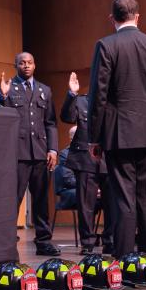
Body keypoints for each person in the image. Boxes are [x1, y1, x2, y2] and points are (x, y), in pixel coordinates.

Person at [87, 0, 146, 257]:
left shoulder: (105, 45)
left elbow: (98, 95)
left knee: (124, 198)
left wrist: (94, 138)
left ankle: (125, 259)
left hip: (119, 134)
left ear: (112, 18)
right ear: (137, 17)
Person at [0, 51, 61, 256]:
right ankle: (6, 241)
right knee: (12, 199)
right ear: (16, 65)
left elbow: (50, 122)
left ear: (35, 65)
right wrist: (3, 96)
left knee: (42, 200)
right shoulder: (8, 88)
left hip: (40, 153)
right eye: (22, 63)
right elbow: (1, 117)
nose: (26, 66)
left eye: (30, 62)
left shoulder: (44, 90)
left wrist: (53, 149)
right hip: (18, 154)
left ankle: (43, 241)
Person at [61, 71, 111, 254]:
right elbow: (67, 117)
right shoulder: (81, 101)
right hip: (84, 159)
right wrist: (71, 94)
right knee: (86, 205)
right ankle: (88, 242)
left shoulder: (112, 103)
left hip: (108, 159)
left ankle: (110, 240)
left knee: (112, 204)